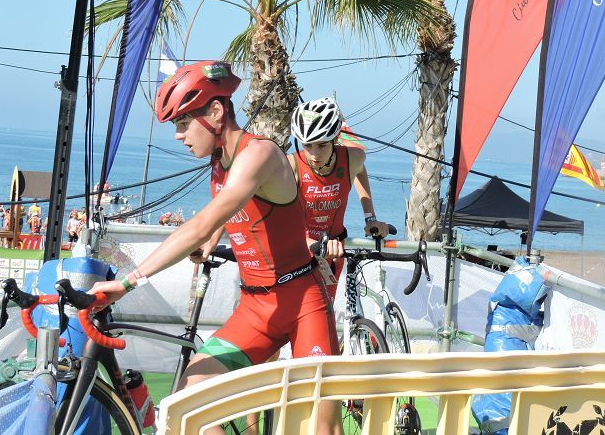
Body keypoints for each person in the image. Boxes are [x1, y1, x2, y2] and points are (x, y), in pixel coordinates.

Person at [89, 60, 339, 423]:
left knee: (321, 426)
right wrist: (215, 238)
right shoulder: (219, 161)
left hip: (302, 302)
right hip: (255, 309)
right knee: (186, 407)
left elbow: (204, 221)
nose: (179, 135)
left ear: (216, 112)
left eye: (183, 122)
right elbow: (230, 209)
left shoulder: (261, 153)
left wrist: (126, 283)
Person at [289, 97, 390, 297]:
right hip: (298, 252)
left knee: (325, 316)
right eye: (307, 145)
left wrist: (370, 217)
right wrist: (308, 242)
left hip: (334, 252)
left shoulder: (353, 157)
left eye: (322, 145)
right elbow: (281, 220)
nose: (313, 154)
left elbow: (359, 170)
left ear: (335, 139)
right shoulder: (291, 165)